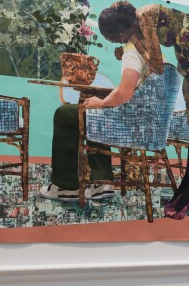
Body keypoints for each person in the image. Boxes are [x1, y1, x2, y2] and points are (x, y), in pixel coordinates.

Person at [87, 1, 189, 219]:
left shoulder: (144, 18)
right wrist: (133, 45)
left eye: (118, 38)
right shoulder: (137, 28)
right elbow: (155, 63)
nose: (121, 42)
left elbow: (157, 65)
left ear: (123, 30)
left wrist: (133, 46)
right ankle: (187, 189)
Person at [37, 19, 154, 201]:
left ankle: (66, 186)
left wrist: (102, 102)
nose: (116, 42)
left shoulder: (132, 51)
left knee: (66, 113)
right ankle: (101, 182)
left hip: (131, 122)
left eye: (113, 38)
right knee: (94, 113)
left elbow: (124, 92)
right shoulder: (154, 52)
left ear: (121, 34)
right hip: (147, 122)